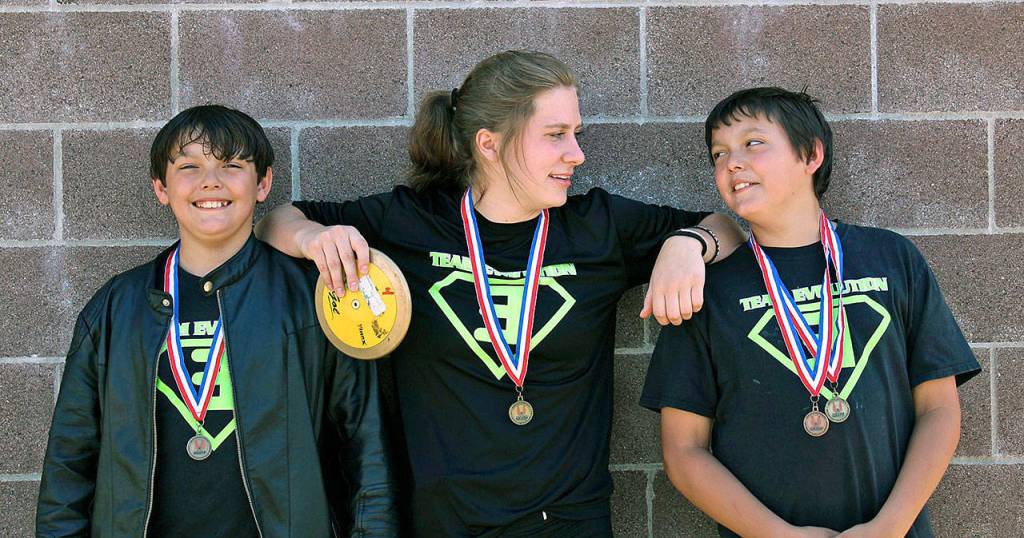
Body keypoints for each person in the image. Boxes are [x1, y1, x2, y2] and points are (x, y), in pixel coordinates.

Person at [256, 50, 744, 536]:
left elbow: (727, 228)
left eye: (576, 134)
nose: (576, 154)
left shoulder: (598, 227)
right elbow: (278, 220)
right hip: (445, 521)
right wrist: (313, 239)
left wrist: (688, 242)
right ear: (489, 144)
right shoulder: (412, 222)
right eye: (556, 135)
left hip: (570, 521)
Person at [36, 105, 397, 537]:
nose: (211, 181)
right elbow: (69, 463)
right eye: (189, 166)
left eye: (232, 165)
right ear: (160, 188)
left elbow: (367, 446)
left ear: (263, 184)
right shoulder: (116, 308)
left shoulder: (311, 301)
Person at [641, 87, 981, 537]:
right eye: (718, 153)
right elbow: (684, 451)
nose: (731, 162)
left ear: (811, 155)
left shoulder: (891, 258)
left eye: (753, 142)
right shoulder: (707, 290)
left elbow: (939, 409)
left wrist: (890, 527)